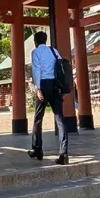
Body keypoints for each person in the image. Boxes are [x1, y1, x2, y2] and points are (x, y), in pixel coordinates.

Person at [28, 30, 69, 165]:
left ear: (35, 42)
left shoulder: (36, 52)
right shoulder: (53, 51)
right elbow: (61, 67)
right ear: (45, 40)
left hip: (44, 84)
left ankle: (37, 148)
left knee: (38, 118)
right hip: (56, 85)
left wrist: (38, 88)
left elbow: (36, 70)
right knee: (59, 118)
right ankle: (63, 153)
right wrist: (63, 88)